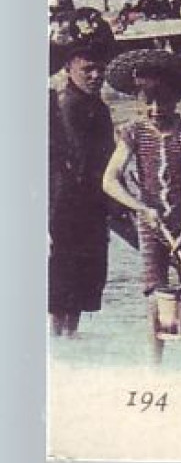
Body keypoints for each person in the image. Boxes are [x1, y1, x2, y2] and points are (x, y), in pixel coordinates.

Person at [100, 49, 181, 362]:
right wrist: (140, 208)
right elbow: (109, 180)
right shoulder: (133, 133)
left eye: (162, 100)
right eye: (147, 101)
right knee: (155, 299)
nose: (154, 108)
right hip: (150, 228)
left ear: (176, 99)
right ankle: (155, 373)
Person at [48, 38, 116, 338]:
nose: (95, 76)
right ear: (68, 68)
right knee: (62, 276)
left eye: (100, 70)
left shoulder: (99, 109)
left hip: (91, 204)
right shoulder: (62, 103)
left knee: (86, 278)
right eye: (88, 69)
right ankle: (59, 341)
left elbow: (108, 157)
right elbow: (75, 159)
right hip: (62, 203)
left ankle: (70, 340)